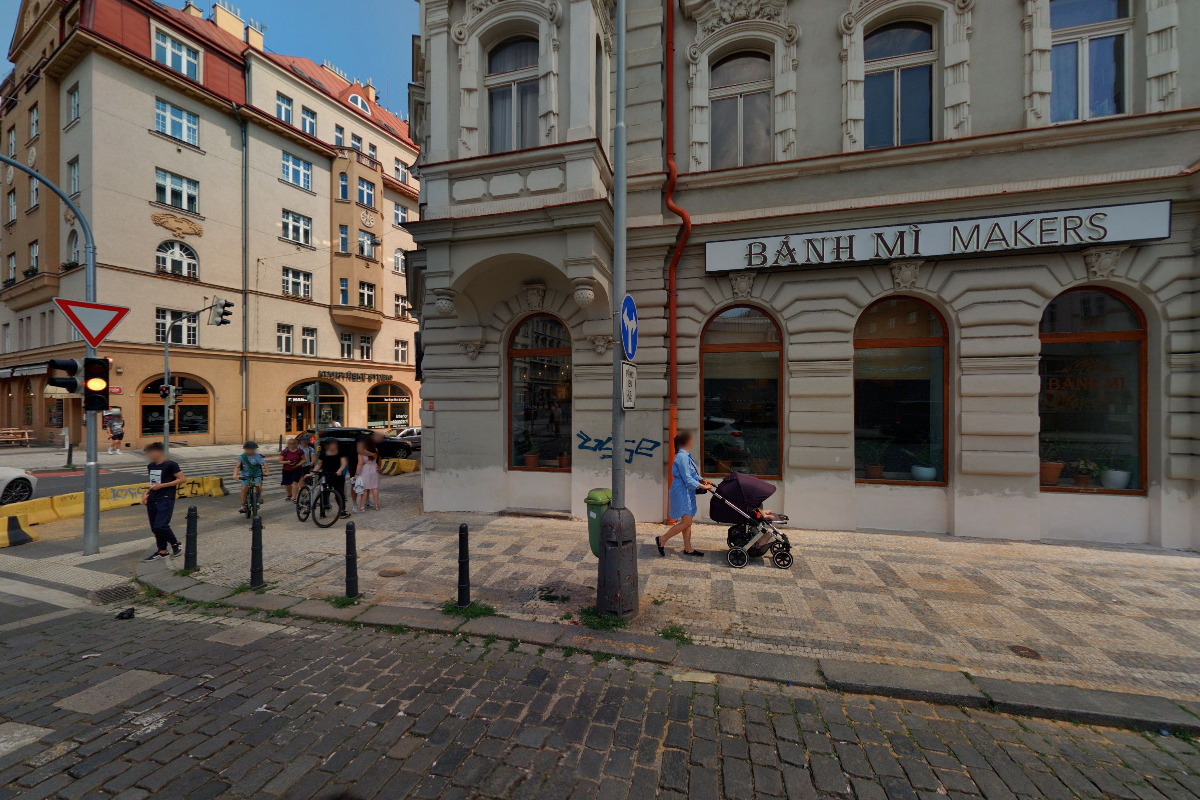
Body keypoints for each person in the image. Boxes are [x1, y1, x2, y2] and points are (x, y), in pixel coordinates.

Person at [657, 431, 713, 558]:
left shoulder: (686, 455)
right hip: (681, 491)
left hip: (686, 491)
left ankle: (688, 548)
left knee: (687, 521)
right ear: (686, 442)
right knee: (686, 522)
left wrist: (702, 479)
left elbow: (692, 474)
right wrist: (703, 486)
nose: (693, 441)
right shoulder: (682, 457)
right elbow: (687, 478)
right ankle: (662, 539)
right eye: (691, 439)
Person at [140, 442, 185, 561]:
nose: (149, 455)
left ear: (159, 452)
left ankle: (175, 543)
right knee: (154, 527)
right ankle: (162, 550)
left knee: (161, 525)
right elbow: (153, 483)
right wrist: (146, 493)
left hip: (165, 498)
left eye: (150, 452)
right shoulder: (151, 466)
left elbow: (182, 479)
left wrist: (163, 486)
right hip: (152, 498)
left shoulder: (171, 465)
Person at [317, 438, 351, 519]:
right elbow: (319, 464)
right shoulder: (323, 453)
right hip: (326, 475)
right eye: (332, 444)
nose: (334, 445)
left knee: (339, 493)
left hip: (337, 475)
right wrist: (312, 472)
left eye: (335, 444)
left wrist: (339, 471)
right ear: (328, 446)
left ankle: (342, 511)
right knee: (324, 493)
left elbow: (344, 463)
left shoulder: (340, 452)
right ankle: (322, 511)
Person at [234, 441, 269, 515]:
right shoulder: (242, 457)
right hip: (245, 475)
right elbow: (237, 466)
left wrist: (267, 471)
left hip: (256, 474)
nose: (252, 451)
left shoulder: (257, 456)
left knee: (258, 486)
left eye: (253, 449)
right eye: (250, 449)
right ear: (245, 449)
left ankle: (259, 496)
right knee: (244, 488)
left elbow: (264, 463)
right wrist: (235, 474)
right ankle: (243, 505)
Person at [353, 437, 380, 512]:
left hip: (365, 471)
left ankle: (362, 507)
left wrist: (356, 474)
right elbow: (377, 459)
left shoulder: (361, 453)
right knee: (375, 488)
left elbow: (359, 464)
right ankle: (376, 505)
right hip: (374, 470)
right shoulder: (376, 450)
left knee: (365, 490)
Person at [279, 438, 306, 503]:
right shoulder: (284, 451)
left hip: (297, 469)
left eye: (293, 444)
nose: (291, 445)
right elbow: (280, 461)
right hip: (286, 469)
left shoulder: (300, 451)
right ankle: (289, 494)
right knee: (287, 483)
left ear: (296, 444)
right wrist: (287, 462)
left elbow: (304, 459)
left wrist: (299, 464)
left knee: (295, 482)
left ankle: (294, 497)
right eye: (290, 444)